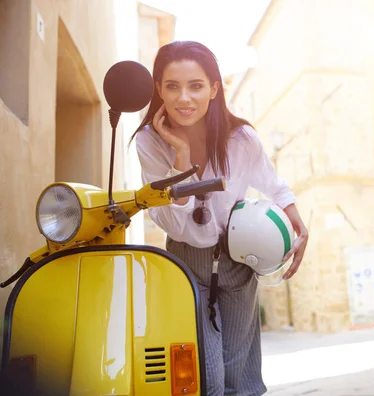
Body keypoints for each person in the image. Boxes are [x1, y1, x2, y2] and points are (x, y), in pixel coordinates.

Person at [131, 41, 309, 395]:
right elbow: (174, 223)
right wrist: (180, 155)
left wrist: (299, 226)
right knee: (206, 378)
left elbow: (275, 185)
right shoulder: (150, 143)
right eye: (172, 86)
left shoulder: (241, 139)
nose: (184, 98)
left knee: (238, 374)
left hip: (239, 257)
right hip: (185, 262)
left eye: (196, 85)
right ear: (158, 89)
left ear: (214, 88)